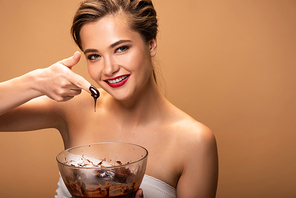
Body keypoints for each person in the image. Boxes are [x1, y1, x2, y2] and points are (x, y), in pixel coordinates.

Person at [0, 0, 218, 197]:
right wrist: (35, 82)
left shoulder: (195, 142)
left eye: (121, 48)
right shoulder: (75, 106)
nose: (109, 68)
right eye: (94, 56)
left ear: (151, 44)